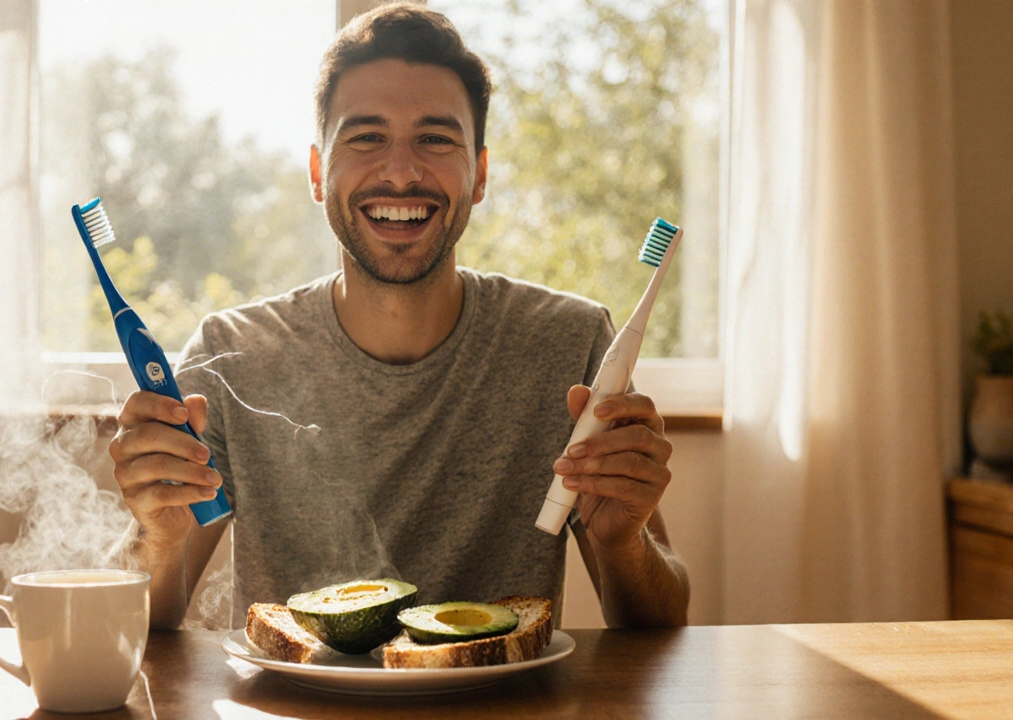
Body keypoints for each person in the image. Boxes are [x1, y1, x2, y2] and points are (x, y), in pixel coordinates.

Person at [109, 3, 689, 630]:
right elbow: (138, 626)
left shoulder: (571, 344)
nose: (401, 172)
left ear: (480, 175)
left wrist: (622, 544)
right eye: (366, 138)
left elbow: (661, 624)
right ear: (316, 172)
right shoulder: (230, 355)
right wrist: (157, 542)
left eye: (436, 139)